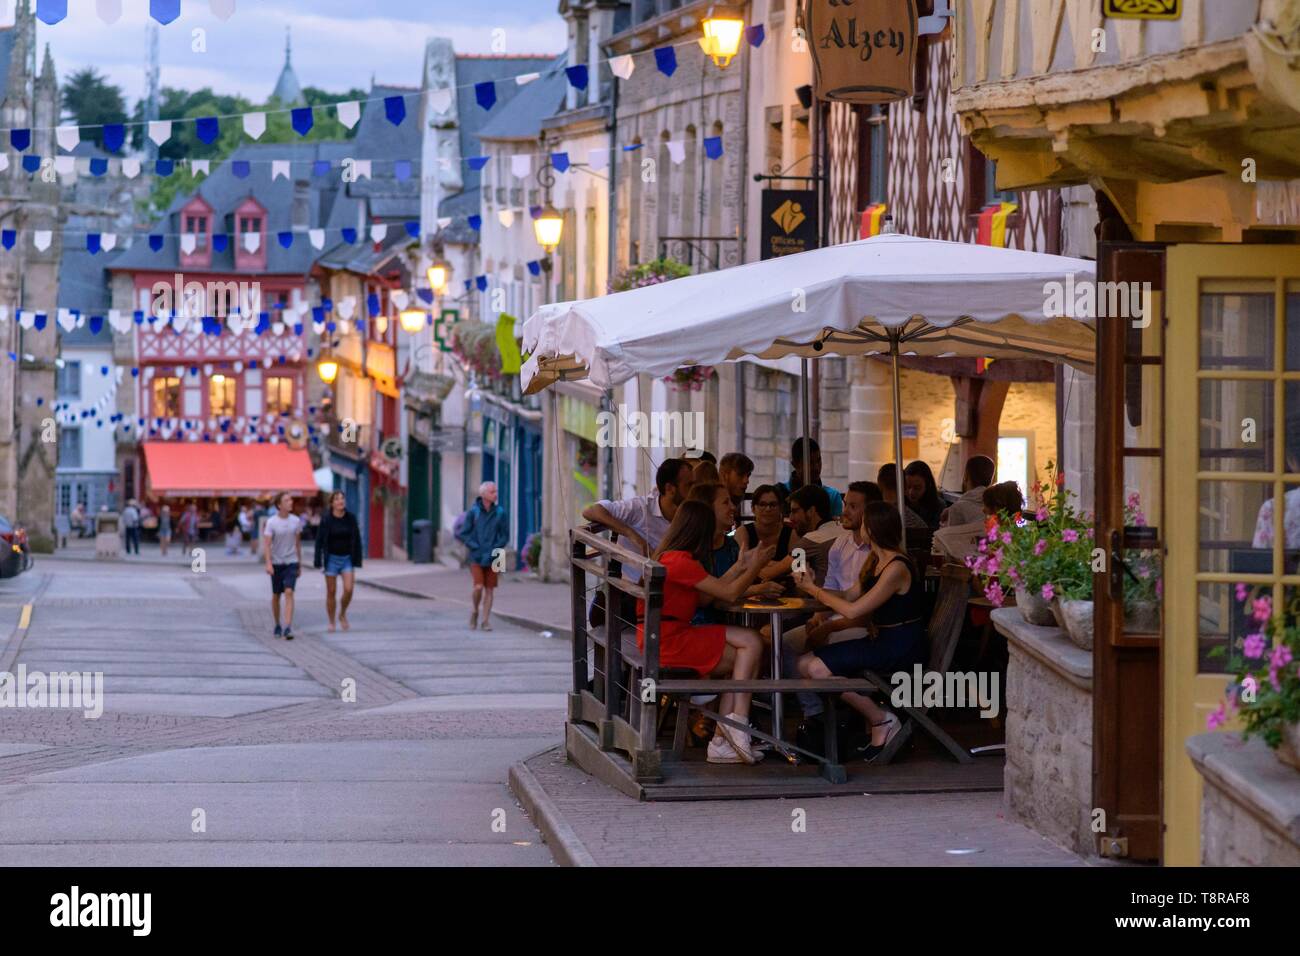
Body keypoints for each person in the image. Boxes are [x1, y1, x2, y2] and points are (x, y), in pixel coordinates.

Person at [641, 499, 773, 764]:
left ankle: (727, 736)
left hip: (666, 635)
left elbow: (704, 598)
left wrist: (740, 566)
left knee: (749, 646)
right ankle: (733, 731)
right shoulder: (682, 562)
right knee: (749, 649)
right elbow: (729, 592)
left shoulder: (672, 557)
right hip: (670, 641)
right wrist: (756, 566)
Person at [794, 502, 928, 762]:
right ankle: (879, 717)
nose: (860, 526)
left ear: (874, 528)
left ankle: (881, 718)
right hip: (883, 641)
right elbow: (847, 595)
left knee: (816, 669)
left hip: (901, 647)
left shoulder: (896, 568)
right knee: (803, 663)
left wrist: (814, 591)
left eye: (865, 521)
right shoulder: (876, 561)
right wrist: (810, 585)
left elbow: (854, 611)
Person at [783, 481, 882, 727]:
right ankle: (814, 712)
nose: (844, 512)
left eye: (853, 506)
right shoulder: (840, 543)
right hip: (838, 617)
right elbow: (837, 592)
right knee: (783, 643)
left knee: (807, 651)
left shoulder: (882, 554)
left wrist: (827, 625)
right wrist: (819, 616)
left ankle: (849, 713)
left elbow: (867, 611)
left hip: (868, 628)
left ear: (871, 513)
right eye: (845, 504)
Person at [582, 458, 694, 582]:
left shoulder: (691, 513)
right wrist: (632, 534)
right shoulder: (640, 508)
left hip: (668, 584)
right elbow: (590, 511)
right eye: (689, 485)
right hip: (629, 587)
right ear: (669, 489)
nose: (694, 491)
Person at [456, 481, 510, 631]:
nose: (496, 494)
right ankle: (474, 610)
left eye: (496, 491)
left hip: (496, 555)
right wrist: (475, 547)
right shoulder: (473, 512)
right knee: (478, 586)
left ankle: (485, 620)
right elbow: (463, 533)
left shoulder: (501, 512)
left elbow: (505, 536)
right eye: (492, 492)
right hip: (477, 554)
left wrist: (495, 548)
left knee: (491, 589)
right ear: (483, 495)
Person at [935, 479, 1025, 564]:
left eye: (986, 505)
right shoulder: (1021, 536)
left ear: (997, 509)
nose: (983, 510)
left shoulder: (1002, 537)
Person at [315, 490, 363, 632]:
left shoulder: (351, 518)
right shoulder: (326, 519)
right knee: (331, 591)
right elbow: (319, 540)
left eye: (342, 498)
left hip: (347, 558)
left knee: (349, 589)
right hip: (331, 559)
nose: (340, 501)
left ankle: (342, 613)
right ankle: (331, 621)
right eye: (337, 499)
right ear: (332, 503)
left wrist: (357, 559)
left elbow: (357, 539)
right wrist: (318, 559)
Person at [263, 492, 303, 640]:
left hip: (291, 562)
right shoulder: (271, 522)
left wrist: (299, 564)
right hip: (276, 563)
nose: (290, 502)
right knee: (276, 595)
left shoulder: (296, 521)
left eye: (291, 499)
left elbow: (297, 543)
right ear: (279, 505)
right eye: (287, 500)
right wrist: (268, 563)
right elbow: (267, 545)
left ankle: (287, 626)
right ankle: (277, 624)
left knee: (289, 592)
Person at [735, 484, 795, 580]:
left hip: (784, 590)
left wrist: (756, 565)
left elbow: (798, 569)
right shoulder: (742, 532)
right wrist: (782, 566)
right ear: (753, 508)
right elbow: (742, 567)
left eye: (773, 504)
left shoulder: (792, 534)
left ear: (780, 508)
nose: (768, 509)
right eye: (762, 504)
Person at [779, 437, 844, 519]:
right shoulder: (779, 494)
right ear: (795, 464)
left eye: (818, 460)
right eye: (810, 462)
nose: (816, 467)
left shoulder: (832, 496)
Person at [942, 455, 996, 527]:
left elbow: (948, 536)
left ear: (966, 476)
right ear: (991, 479)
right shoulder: (997, 506)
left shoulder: (958, 508)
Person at [877, 463, 929, 531]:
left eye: (917, 487)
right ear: (904, 488)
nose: (911, 492)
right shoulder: (920, 524)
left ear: (880, 487)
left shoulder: (875, 520)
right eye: (909, 487)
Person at [904, 460, 946, 529]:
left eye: (917, 488)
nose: (911, 492)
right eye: (907, 487)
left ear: (928, 485)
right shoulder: (899, 504)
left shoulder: (939, 506)